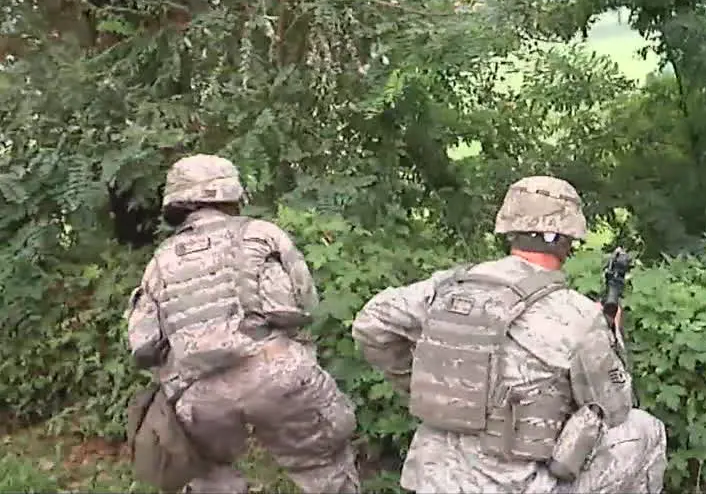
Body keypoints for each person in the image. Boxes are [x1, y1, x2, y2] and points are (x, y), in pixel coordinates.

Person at [351, 175, 668, 493]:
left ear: (510, 228)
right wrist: (612, 336)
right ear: (567, 238)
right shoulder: (578, 316)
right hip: (519, 485)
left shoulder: (448, 287)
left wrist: (423, 383)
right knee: (644, 430)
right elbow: (614, 409)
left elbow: (371, 324)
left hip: (435, 480)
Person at [125, 154, 361, 494]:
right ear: (231, 193)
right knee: (324, 466)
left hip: (200, 393)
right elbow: (307, 304)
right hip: (276, 372)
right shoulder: (261, 234)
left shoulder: (161, 259)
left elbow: (144, 344)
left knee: (211, 477)